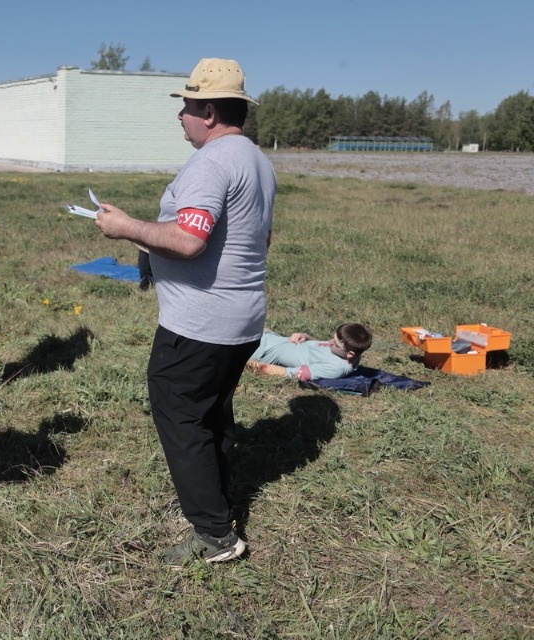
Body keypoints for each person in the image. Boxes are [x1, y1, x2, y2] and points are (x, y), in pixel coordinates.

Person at [94, 58, 276, 566]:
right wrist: (150, 247)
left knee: (181, 417)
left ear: (211, 112)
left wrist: (128, 227)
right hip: (241, 318)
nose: (182, 116)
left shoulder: (212, 163)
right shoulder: (257, 161)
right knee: (211, 416)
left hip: (200, 324)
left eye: (188, 106)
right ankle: (221, 506)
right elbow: (257, 236)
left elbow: (190, 239)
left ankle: (215, 535)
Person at [247, 324, 373, 381]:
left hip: (258, 349)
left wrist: (245, 363)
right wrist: (307, 337)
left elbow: (288, 373)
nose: (330, 342)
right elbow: (321, 349)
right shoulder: (352, 352)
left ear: (350, 354)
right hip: (270, 336)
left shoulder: (335, 368)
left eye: (335, 343)